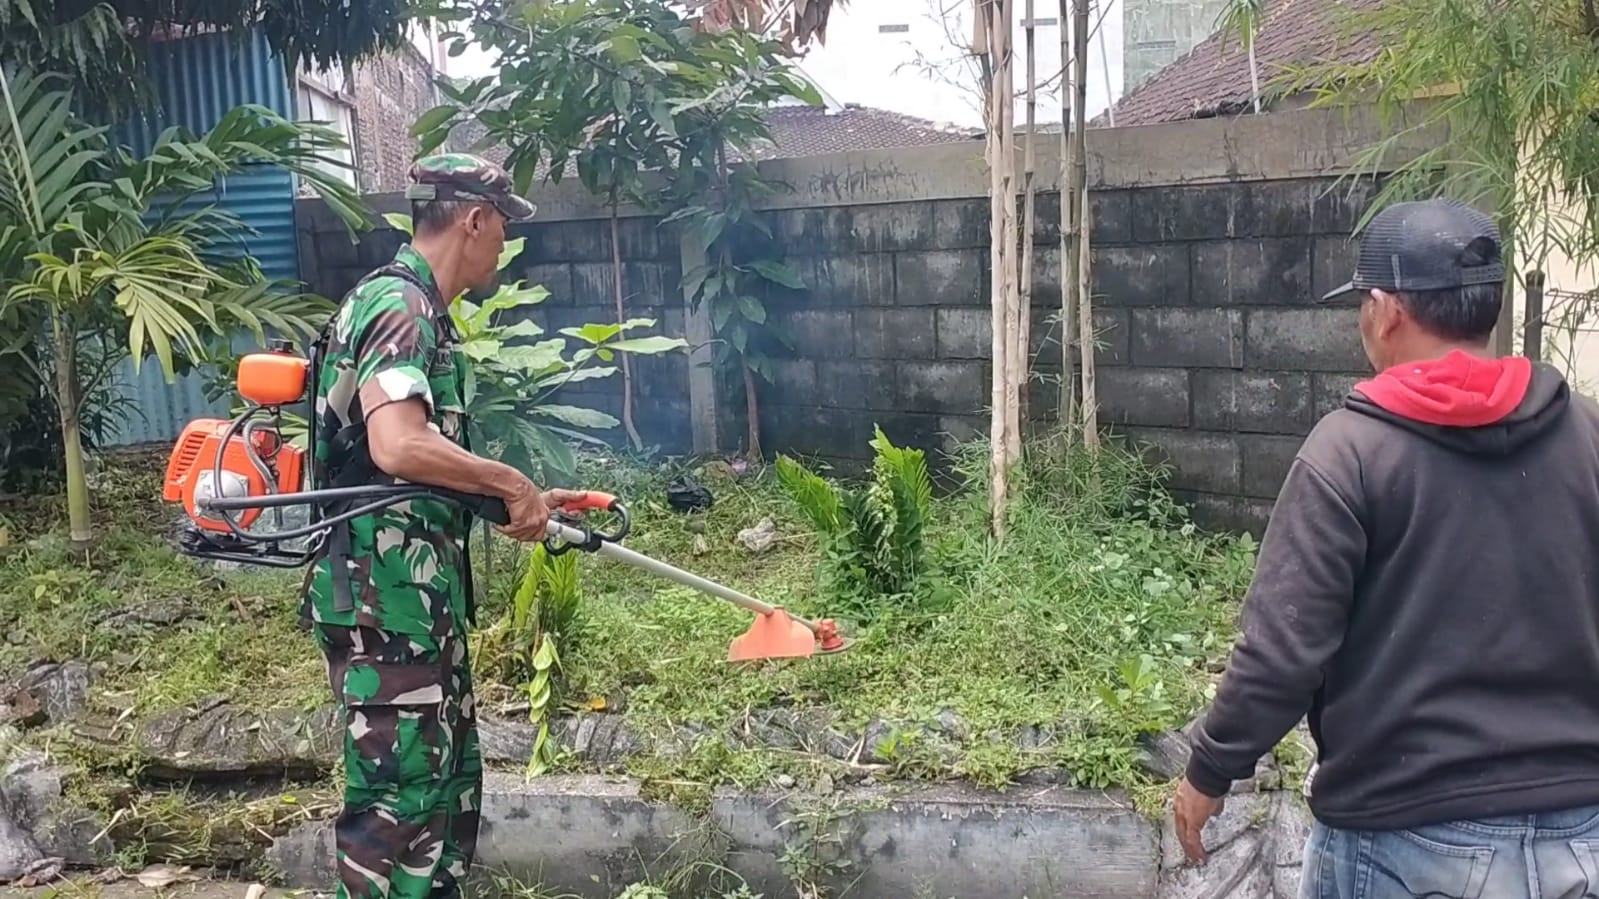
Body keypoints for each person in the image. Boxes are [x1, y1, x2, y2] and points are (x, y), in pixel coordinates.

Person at [1170, 197, 1599, 898]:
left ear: (1387, 310)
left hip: (1405, 839)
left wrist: (1208, 771)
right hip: (1581, 838)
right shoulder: (1583, 434)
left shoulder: (1349, 453)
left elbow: (1282, 652)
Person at [300, 153, 579, 899]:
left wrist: (528, 498)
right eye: (501, 227)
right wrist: (508, 480)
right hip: (383, 605)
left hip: (414, 603)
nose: (502, 244)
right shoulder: (399, 306)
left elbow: (407, 471)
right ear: (474, 218)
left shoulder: (420, 309)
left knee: (446, 796)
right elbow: (398, 444)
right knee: (400, 805)